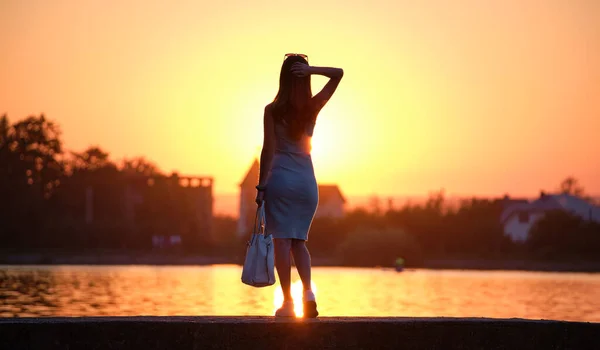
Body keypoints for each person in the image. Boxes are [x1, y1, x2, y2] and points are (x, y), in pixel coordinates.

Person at [255, 53, 343, 318]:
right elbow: (338, 72)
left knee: (282, 242)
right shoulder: (312, 107)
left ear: (283, 78)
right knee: (299, 243)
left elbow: (268, 149)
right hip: (306, 183)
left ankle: (287, 303)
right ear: (303, 79)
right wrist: (311, 70)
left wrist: (261, 187)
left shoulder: (272, 110)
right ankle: (308, 294)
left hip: (280, 180)